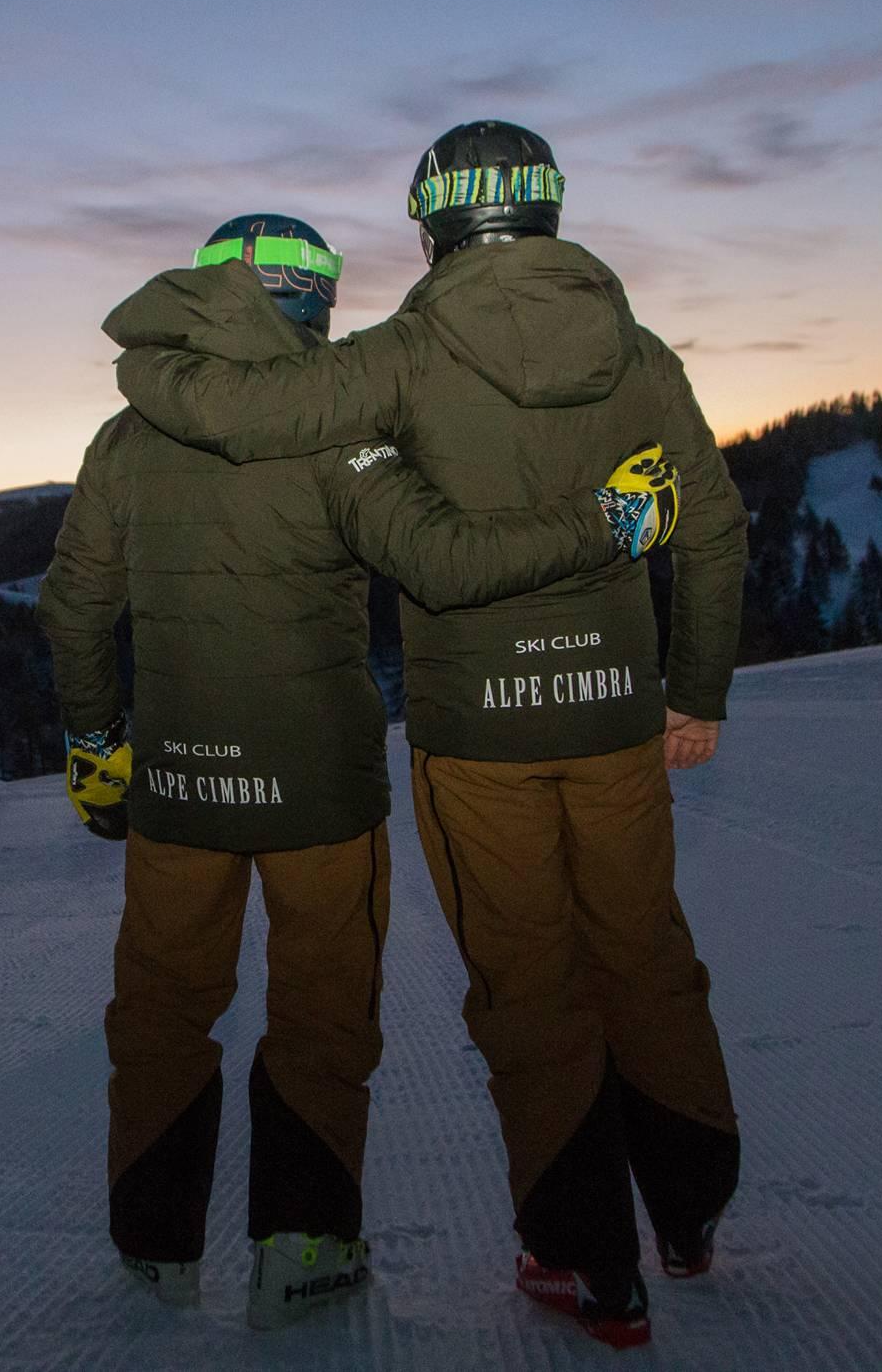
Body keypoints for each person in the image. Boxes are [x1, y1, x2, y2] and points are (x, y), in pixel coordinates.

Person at [111, 124, 749, 1351]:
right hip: (618, 711)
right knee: (646, 956)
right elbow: (709, 526)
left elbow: (241, 415)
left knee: (532, 986)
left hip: (477, 734)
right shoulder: (636, 351)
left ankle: (586, 1264)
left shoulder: (402, 357)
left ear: (432, 221)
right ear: (549, 210)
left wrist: (148, 359)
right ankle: (690, 1219)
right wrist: (696, 689)